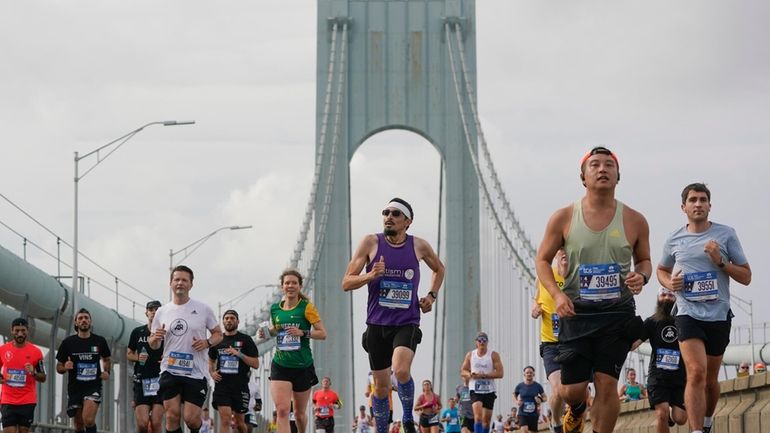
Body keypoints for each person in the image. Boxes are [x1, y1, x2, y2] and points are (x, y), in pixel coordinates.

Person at [535, 146, 651, 433]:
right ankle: (576, 409)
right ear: (583, 177)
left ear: (618, 176)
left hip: (617, 312)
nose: (602, 169)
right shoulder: (562, 217)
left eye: (609, 165)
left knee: (607, 384)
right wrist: (558, 294)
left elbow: (645, 261)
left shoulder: (635, 220)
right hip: (577, 311)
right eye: (595, 165)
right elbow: (542, 260)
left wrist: (642, 276)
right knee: (572, 390)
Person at [343, 198, 445, 433]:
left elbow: (439, 269)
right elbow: (346, 282)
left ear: (407, 222)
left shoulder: (419, 246)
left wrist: (431, 295)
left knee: (400, 371)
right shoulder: (370, 242)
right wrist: (369, 276)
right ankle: (381, 429)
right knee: (380, 387)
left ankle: (408, 418)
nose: (389, 216)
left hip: (406, 322)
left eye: (396, 214)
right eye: (386, 212)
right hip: (377, 324)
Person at [657, 182, 752, 433]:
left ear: (710, 205)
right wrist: (670, 282)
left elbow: (746, 276)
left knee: (710, 380)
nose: (698, 204)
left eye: (702, 200)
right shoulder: (674, 238)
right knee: (696, 372)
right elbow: (661, 270)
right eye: (692, 200)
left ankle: (707, 423)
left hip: (719, 314)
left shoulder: (726, 234)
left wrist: (720, 262)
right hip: (688, 313)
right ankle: (696, 430)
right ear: (683, 207)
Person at [148, 265, 224, 433]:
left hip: (196, 371)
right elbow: (153, 344)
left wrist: (207, 342)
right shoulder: (162, 311)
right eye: (177, 279)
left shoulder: (204, 309)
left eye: (184, 280)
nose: (180, 283)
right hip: (170, 369)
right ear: (170, 283)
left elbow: (219, 334)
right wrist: (155, 338)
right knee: (172, 416)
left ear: (191, 284)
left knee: (191, 418)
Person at [260, 269, 327, 433]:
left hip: (302, 365)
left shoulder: (306, 308)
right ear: (282, 286)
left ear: (299, 286)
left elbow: (322, 333)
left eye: (294, 283)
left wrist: (303, 333)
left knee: (299, 414)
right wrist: (267, 333)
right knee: (282, 411)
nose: (290, 286)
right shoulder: (275, 309)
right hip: (280, 364)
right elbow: (277, 329)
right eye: (287, 283)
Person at [633, 287, 687, 433]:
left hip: (680, 377)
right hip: (658, 377)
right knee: (661, 414)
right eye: (663, 295)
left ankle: (670, 413)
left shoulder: (684, 321)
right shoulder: (651, 322)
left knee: (680, 418)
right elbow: (635, 344)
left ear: (676, 299)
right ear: (658, 298)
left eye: (670, 295)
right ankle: (665, 414)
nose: (666, 298)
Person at [55, 308, 112, 433]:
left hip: (93, 386)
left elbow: (107, 358)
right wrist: (65, 367)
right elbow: (58, 367)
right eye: (80, 318)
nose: (84, 320)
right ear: (76, 323)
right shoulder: (68, 342)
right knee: (79, 424)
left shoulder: (99, 341)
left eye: (86, 318)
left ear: (90, 322)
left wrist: (107, 372)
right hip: (75, 388)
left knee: (88, 420)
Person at [530, 247, 568, 433]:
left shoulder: (578, 277)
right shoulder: (544, 276)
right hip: (551, 344)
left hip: (575, 342)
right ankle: (555, 421)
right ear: (556, 254)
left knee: (577, 392)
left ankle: (572, 418)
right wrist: (535, 310)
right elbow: (535, 302)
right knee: (559, 388)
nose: (565, 254)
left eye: (569, 250)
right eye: (561, 251)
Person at [209, 309, 260, 433]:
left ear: (238, 321)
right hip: (222, 385)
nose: (229, 320)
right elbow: (211, 360)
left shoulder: (246, 340)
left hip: (240, 386)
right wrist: (212, 372)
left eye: (232, 318)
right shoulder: (217, 340)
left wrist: (239, 354)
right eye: (226, 318)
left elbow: (256, 364)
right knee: (225, 420)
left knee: (239, 423)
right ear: (223, 322)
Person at [0, 317, 46, 433]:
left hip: (27, 400)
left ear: (27, 331)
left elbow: (43, 377)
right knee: (8, 431)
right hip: (7, 400)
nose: (20, 333)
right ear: (12, 331)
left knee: (23, 430)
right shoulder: (3, 350)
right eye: (17, 330)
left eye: (23, 330)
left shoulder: (36, 352)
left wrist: (34, 373)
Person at [127, 300, 165, 433]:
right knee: (142, 424)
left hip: (161, 381)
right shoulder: (137, 332)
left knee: (156, 423)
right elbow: (129, 354)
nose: (154, 312)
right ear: (146, 313)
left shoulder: (167, 333)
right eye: (151, 309)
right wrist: (137, 357)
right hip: (141, 381)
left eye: (157, 310)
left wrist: (168, 360)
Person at [460, 332, 504, 433]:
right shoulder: (471, 355)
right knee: (478, 417)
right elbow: (463, 370)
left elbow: (500, 373)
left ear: (487, 342)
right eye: (479, 340)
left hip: (489, 390)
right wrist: (471, 375)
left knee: (486, 422)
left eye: (484, 340)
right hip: (475, 390)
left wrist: (484, 375)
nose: (482, 342)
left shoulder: (493, 355)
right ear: (476, 342)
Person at [513, 366, 546, 433]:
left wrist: (541, 400)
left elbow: (545, 397)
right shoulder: (520, 386)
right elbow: (514, 395)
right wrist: (516, 401)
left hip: (534, 414)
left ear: (533, 374)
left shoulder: (538, 386)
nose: (529, 374)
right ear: (524, 374)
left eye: (531, 373)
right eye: (527, 373)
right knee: (525, 430)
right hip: (522, 413)